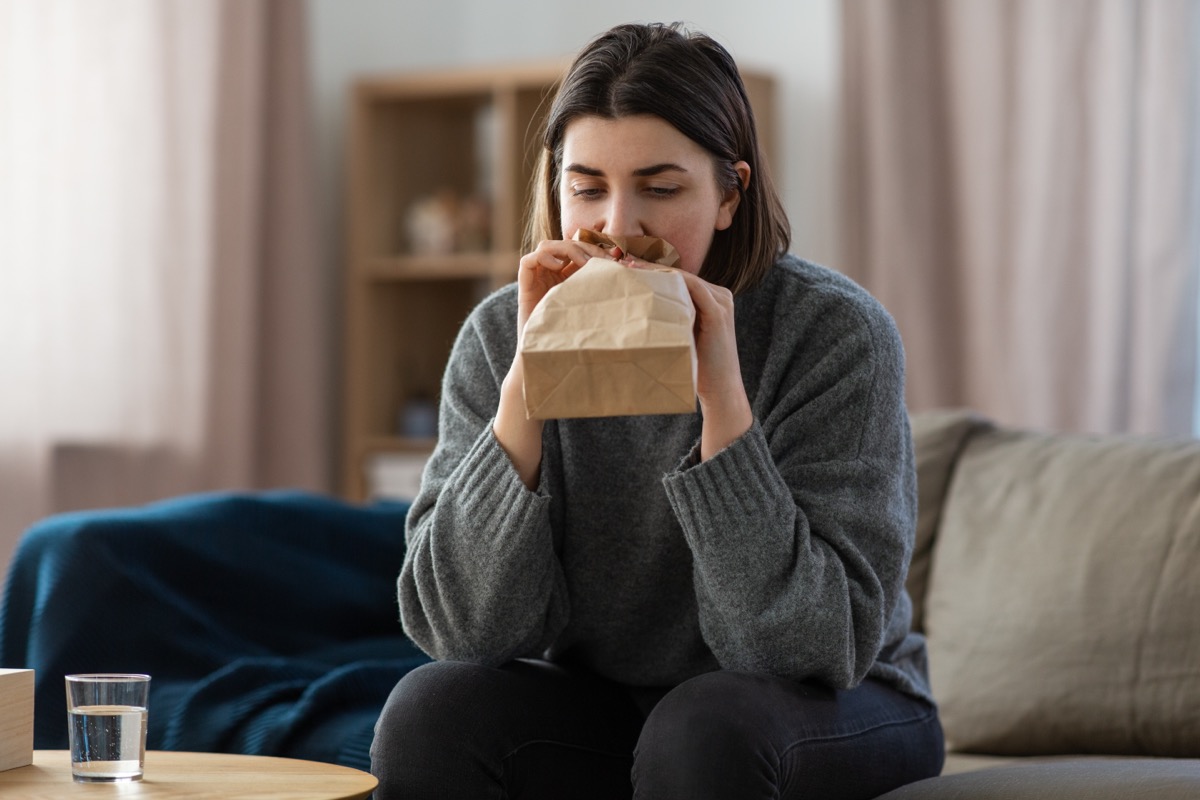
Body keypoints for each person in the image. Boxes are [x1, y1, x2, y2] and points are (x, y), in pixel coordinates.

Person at [370, 21, 943, 800]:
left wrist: (723, 402)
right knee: (429, 711)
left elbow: (808, 647)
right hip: (616, 702)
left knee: (706, 724)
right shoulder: (499, 332)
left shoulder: (836, 335)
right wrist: (525, 388)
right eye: (587, 187)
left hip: (833, 702)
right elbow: (462, 632)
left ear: (729, 195)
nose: (617, 227)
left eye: (661, 188)